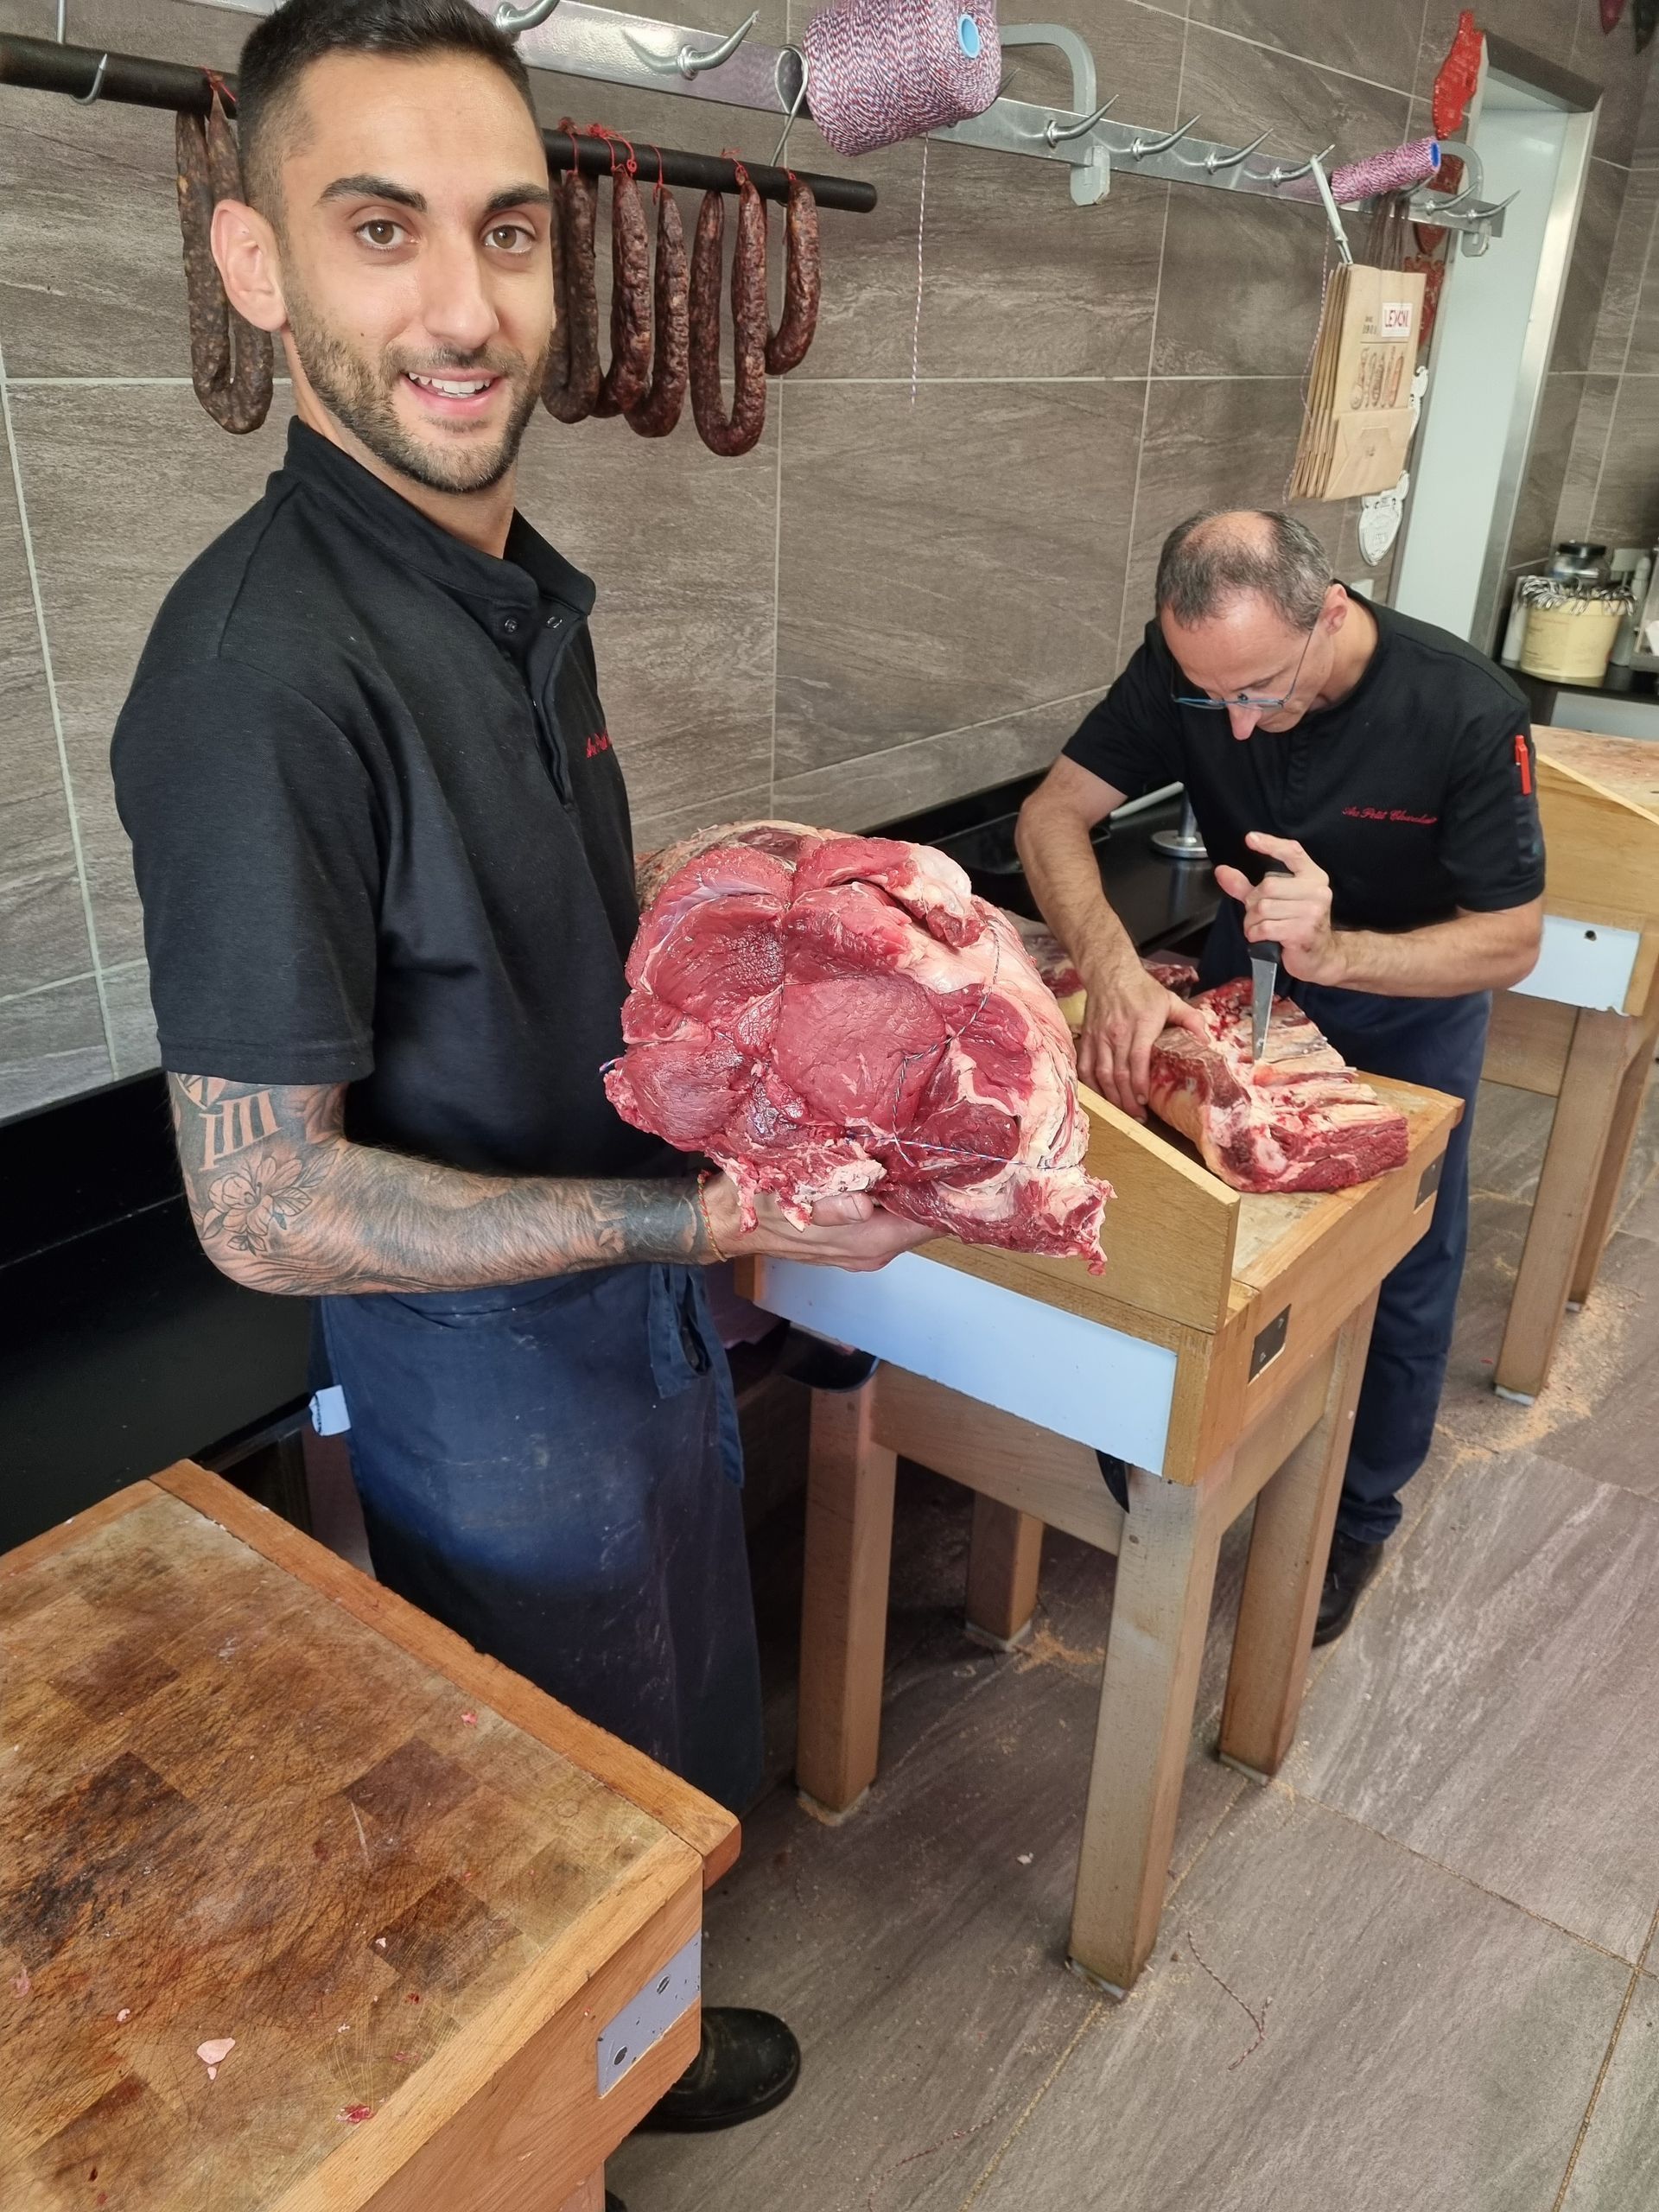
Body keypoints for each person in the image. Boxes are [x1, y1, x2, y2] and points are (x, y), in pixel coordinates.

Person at [110, 0, 930, 2177]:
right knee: (555, 1805)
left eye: (508, 230)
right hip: (489, 1370)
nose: (467, 310)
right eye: (381, 230)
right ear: (255, 263)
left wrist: (773, 937)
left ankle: (649, 2054)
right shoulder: (257, 671)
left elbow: (520, 916)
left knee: (667, 1743)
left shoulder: (509, 589)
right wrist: (714, 1221)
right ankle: (583, 2133)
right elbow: (260, 1208)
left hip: (636, 1302)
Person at [1016, 511, 1544, 1643]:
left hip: (1407, 1006)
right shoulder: (1188, 665)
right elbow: (1053, 814)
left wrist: (1341, 951)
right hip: (1235, 992)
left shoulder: (1466, 709)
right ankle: (1172, 1460)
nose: (1240, 725)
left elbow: (1511, 939)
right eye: (1217, 701)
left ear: (1333, 613)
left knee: (1398, 1268)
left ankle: (1357, 1518)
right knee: (1190, 1238)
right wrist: (1112, 971)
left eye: (1264, 689)